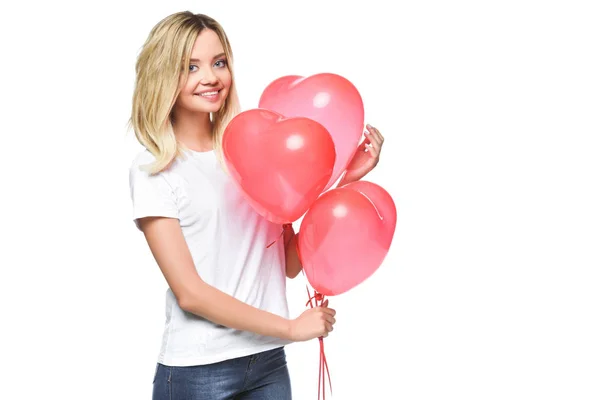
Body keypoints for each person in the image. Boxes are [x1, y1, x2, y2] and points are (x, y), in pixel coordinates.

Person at [128, 11, 385, 400]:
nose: (210, 77)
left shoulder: (251, 149)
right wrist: (290, 328)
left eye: (219, 62)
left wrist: (347, 178)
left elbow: (288, 263)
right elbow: (190, 293)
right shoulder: (156, 169)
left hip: (266, 365)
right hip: (199, 371)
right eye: (190, 67)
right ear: (163, 76)